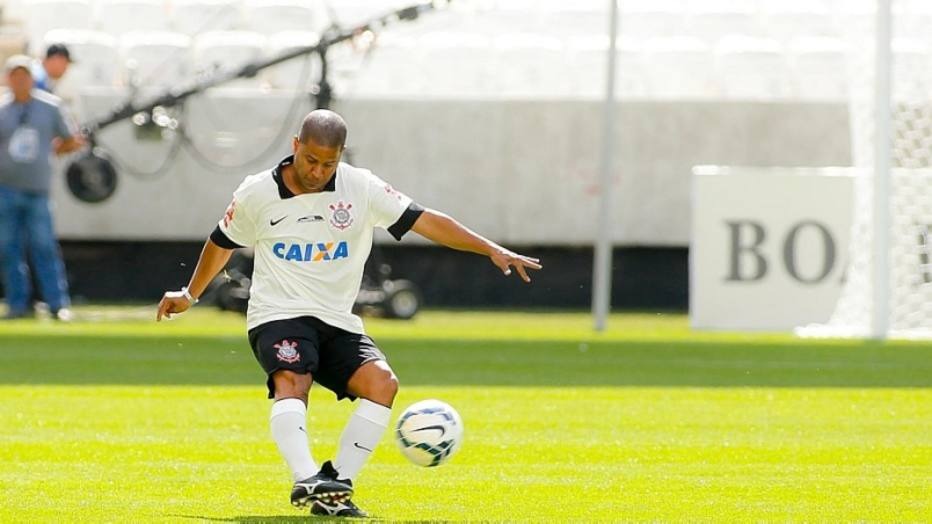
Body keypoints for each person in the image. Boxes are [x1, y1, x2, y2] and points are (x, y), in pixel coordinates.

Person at [156, 109, 542, 517]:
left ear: (340, 157)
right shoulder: (257, 192)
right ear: (295, 147)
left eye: (329, 163)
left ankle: (334, 488)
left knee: (382, 384)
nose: (318, 171)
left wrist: (491, 249)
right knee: (292, 379)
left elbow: (425, 220)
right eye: (311, 160)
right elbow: (221, 242)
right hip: (278, 313)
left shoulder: (360, 187)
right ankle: (306, 476)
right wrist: (190, 294)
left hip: (337, 319)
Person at [0, 55, 83, 320]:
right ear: (8, 79)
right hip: (6, 188)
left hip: (37, 189)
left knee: (44, 247)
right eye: (15, 76)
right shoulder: (2, 109)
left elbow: (72, 140)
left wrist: (54, 152)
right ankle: (17, 304)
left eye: (24, 75)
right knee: (8, 248)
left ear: (32, 78)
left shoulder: (50, 107)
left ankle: (57, 304)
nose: (20, 81)